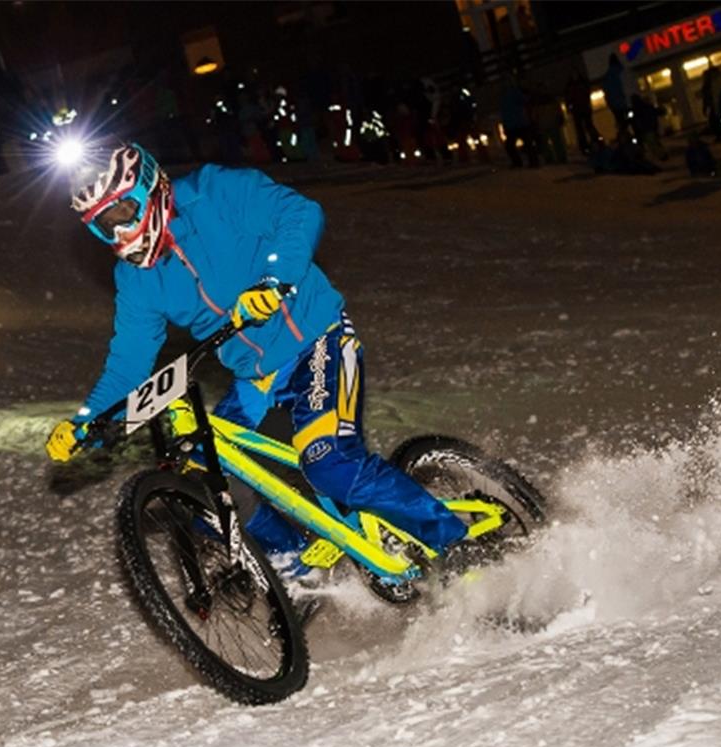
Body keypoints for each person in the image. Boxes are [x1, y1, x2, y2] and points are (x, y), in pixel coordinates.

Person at [44, 143, 471, 577]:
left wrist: (274, 279)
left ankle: (458, 543)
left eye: (122, 213)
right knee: (209, 491)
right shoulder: (136, 278)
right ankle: (298, 571)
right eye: (104, 225)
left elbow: (299, 213)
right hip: (255, 378)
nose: (119, 232)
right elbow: (129, 363)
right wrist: (86, 423)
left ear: (149, 188)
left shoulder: (215, 192)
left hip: (318, 341)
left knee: (329, 463)